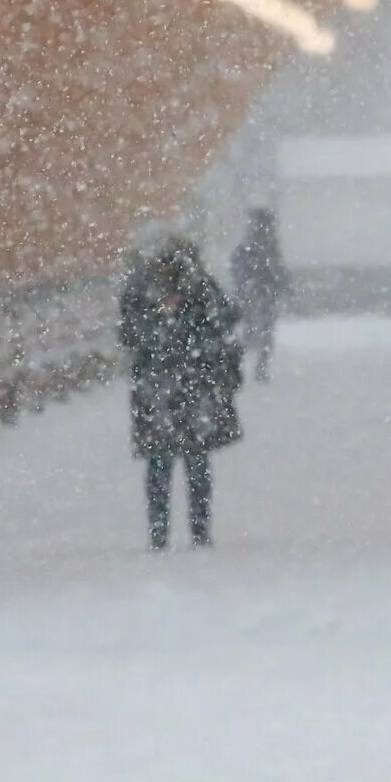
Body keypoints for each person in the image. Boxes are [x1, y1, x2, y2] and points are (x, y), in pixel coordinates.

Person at [119, 226, 242, 550]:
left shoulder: (141, 291)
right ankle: (198, 530)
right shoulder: (201, 289)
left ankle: (160, 532)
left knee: (161, 461)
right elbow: (225, 321)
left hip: (157, 388)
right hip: (193, 384)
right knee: (195, 460)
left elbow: (129, 335)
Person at [230, 207, 288, 384]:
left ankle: (254, 366)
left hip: (260, 293)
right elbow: (277, 268)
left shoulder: (261, 243)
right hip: (258, 293)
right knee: (258, 332)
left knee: (258, 332)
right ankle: (253, 365)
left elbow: (277, 268)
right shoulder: (261, 243)